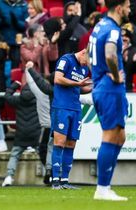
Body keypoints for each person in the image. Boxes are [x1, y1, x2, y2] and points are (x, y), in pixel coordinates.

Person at [88, 0, 130, 201]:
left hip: (103, 86)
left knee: (120, 136)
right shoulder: (113, 29)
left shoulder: (99, 25)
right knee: (110, 135)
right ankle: (102, 188)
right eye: (129, 5)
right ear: (120, 7)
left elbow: (90, 57)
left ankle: (105, 186)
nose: (130, 10)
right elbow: (110, 54)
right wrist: (114, 75)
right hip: (110, 88)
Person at [50, 48, 91, 190]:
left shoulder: (84, 69)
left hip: (76, 108)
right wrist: (77, 84)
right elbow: (58, 79)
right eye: (88, 61)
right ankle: (55, 180)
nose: (87, 65)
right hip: (61, 106)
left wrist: (94, 86)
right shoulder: (66, 60)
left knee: (71, 144)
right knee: (59, 142)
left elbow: (80, 89)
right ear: (84, 52)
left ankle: (65, 180)